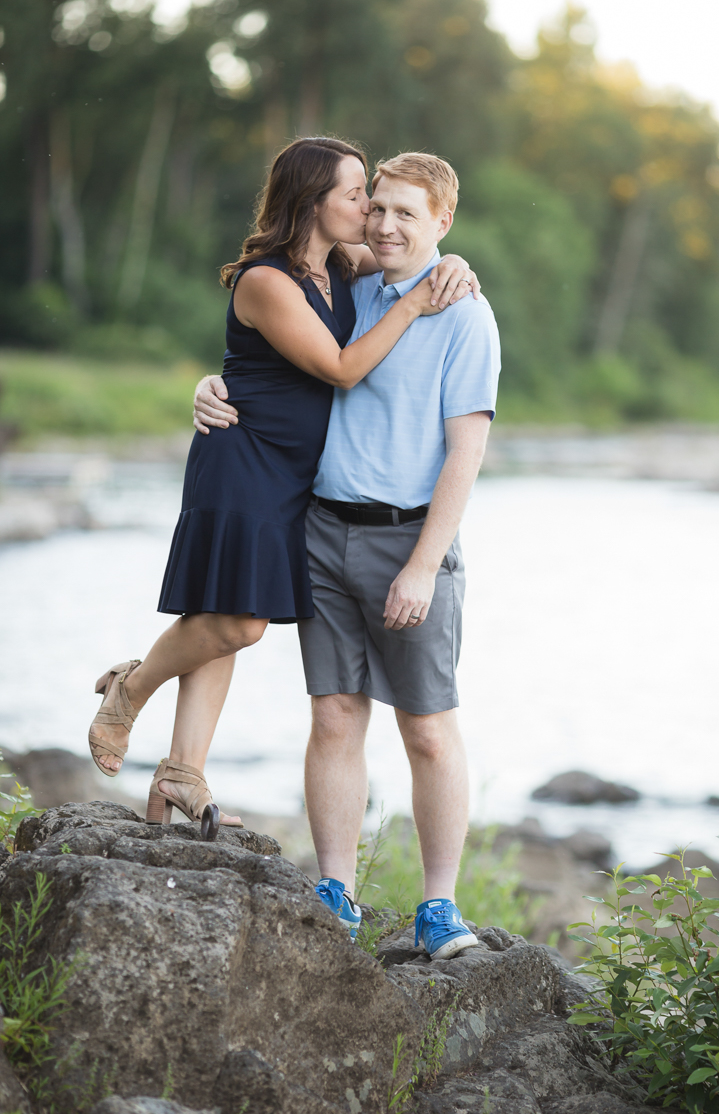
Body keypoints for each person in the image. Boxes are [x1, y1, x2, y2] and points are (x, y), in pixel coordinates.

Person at [87, 137, 477, 840]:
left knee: (225, 622)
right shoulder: (267, 280)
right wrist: (417, 304)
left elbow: (419, 249)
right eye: (358, 195)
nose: (369, 210)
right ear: (313, 202)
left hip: (298, 475)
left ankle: (183, 769)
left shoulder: (343, 265)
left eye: (372, 196)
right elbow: (340, 367)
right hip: (246, 459)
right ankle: (132, 688)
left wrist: (450, 264)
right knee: (239, 621)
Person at [193, 152, 501, 960]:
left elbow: (465, 453)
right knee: (334, 716)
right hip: (323, 530)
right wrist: (211, 382)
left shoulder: (463, 313)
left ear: (443, 223)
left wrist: (425, 564)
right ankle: (338, 893)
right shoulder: (349, 288)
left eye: (409, 213)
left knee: (428, 730)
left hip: (410, 540)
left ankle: (440, 906)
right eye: (379, 208)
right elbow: (275, 355)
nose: (388, 224)